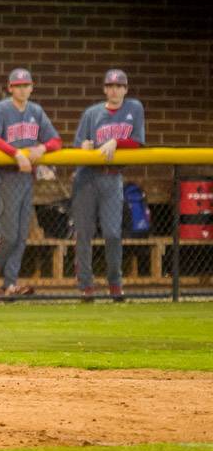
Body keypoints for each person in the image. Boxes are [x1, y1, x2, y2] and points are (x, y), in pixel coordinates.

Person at [0, 68, 61, 297]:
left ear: (32, 87)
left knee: (22, 235)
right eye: (18, 85)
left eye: (26, 85)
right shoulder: (1, 108)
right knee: (9, 235)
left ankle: (10, 284)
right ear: (10, 88)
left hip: (26, 178)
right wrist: (16, 153)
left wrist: (42, 147)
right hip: (5, 176)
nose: (22, 89)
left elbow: (56, 140)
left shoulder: (36, 110)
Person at [73, 69, 145, 302]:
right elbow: (77, 145)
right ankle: (86, 286)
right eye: (110, 86)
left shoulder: (134, 108)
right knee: (83, 233)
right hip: (86, 177)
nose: (114, 90)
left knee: (113, 233)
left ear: (125, 89)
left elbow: (137, 142)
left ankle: (115, 284)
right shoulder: (92, 113)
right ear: (105, 89)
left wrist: (115, 141)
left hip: (112, 178)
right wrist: (84, 146)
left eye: (119, 86)